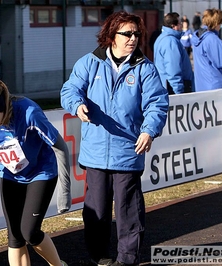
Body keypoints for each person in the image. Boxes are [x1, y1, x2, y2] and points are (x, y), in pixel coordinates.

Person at [60, 11, 169, 266]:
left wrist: (148, 130)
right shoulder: (90, 62)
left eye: (136, 34)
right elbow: (70, 89)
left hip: (128, 152)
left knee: (128, 211)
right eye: (127, 33)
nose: (133, 38)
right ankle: (100, 256)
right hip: (95, 152)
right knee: (95, 212)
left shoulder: (145, 68)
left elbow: (157, 104)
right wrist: (76, 105)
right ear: (112, 35)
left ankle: (127, 258)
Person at [0, 78, 71, 266]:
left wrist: (65, 190)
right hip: (11, 174)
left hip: (41, 171)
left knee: (30, 232)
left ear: (4, 109)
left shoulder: (29, 113)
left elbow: (60, 147)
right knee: (14, 235)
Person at [191, 8, 222, 92]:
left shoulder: (198, 37)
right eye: (221, 22)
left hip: (201, 83)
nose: (221, 25)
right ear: (216, 23)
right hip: (215, 84)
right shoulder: (212, 39)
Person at [154, 12, 195, 94]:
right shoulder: (171, 42)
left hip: (165, 86)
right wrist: (178, 92)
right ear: (173, 26)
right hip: (173, 89)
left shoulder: (162, 38)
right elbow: (173, 70)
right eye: (180, 23)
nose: (181, 26)